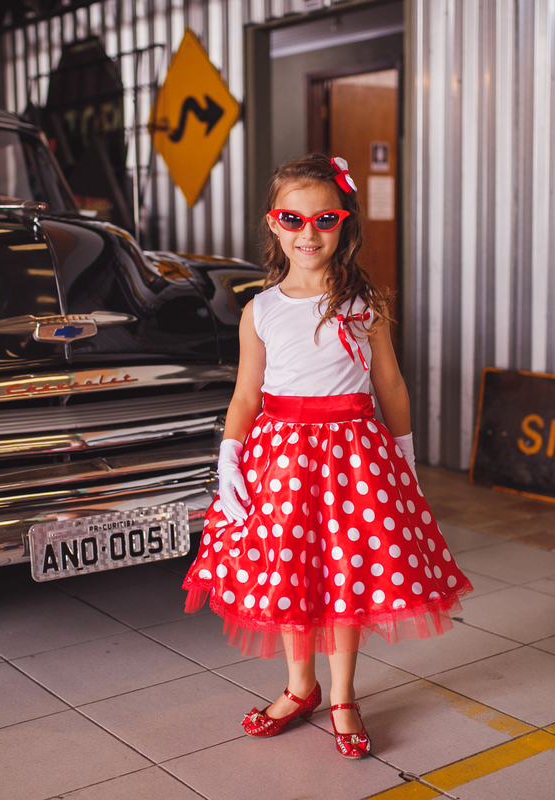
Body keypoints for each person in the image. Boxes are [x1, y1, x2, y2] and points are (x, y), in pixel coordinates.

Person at [182, 153, 473, 759]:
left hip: (355, 461)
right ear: (274, 224)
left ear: (344, 224)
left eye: (325, 218)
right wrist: (229, 456)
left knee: (344, 578)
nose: (308, 232)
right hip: (283, 461)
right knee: (292, 574)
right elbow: (245, 393)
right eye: (293, 218)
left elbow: (389, 384)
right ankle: (299, 686)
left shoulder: (365, 304)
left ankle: (342, 695)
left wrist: (405, 454)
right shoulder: (259, 310)